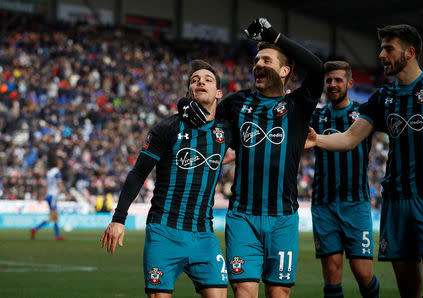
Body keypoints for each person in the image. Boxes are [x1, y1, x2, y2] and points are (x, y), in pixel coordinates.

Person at [179, 18, 324, 298]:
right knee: (244, 292)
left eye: (266, 60)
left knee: (279, 293)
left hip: (283, 218)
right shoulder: (236, 103)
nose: (258, 64)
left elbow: (317, 68)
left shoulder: (298, 105)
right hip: (242, 217)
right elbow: (203, 115)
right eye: (256, 60)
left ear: (285, 70)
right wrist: (184, 103)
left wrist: (274, 36)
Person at [306, 25, 423, 298]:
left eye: (388, 48)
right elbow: (349, 138)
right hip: (395, 201)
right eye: (381, 48)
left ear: (409, 52)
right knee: (408, 288)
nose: (381, 54)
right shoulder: (383, 97)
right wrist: (317, 140)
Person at [100, 60, 234, 298]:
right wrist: (118, 219)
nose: (201, 81)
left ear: (219, 93)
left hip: (204, 235)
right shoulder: (167, 128)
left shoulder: (225, 130)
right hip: (164, 233)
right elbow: (138, 173)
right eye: (195, 80)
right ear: (187, 93)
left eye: (208, 79)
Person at [310, 61, 379, 297]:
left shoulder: (365, 113)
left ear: (349, 83)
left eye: (338, 80)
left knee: (362, 271)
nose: (332, 84)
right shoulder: (315, 116)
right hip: (323, 203)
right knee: (331, 269)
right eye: (329, 80)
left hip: (356, 203)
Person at [31, 156, 69, 240]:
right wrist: (66, 193)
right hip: (53, 196)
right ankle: (35, 228)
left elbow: (46, 185)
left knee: (55, 216)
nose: (62, 164)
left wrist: (43, 195)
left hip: (48, 195)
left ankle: (57, 235)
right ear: (58, 164)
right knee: (53, 217)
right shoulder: (57, 172)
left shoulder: (49, 172)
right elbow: (59, 184)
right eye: (61, 162)